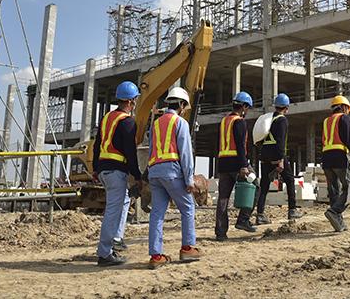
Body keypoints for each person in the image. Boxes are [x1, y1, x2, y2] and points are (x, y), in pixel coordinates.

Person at [145, 87, 203, 269]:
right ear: (181, 104)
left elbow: (150, 150)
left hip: (154, 171)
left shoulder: (155, 123)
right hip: (172, 171)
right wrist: (189, 181)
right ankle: (187, 248)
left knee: (157, 214)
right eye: (185, 106)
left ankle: (156, 256)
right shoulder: (180, 123)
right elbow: (185, 154)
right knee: (187, 207)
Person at [93, 81, 143, 266]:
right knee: (113, 212)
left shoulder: (107, 118)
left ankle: (113, 243)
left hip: (104, 170)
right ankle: (105, 253)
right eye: (136, 99)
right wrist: (137, 176)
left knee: (120, 204)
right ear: (131, 101)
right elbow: (130, 151)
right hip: (116, 171)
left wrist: (95, 169)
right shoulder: (128, 122)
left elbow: (97, 144)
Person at [214, 91, 256, 240]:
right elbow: (239, 145)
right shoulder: (239, 122)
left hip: (223, 163)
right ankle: (243, 219)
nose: (247, 111)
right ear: (243, 106)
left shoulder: (224, 121)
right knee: (255, 185)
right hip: (237, 163)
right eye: (248, 107)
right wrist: (244, 165)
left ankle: (220, 232)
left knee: (223, 198)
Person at [255, 93, 302, 224]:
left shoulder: (269, 119)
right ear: (286, 107)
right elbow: (281, 141)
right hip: (276, 155)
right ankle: (292, 210)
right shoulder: (282, 120)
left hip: (265, 155)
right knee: (290, 180)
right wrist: (280, 159)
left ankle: (260, 215)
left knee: (264, 185)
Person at [321, 95, 350, 232]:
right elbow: (348, 138)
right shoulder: (343, 118)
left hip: (326, 158)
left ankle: (338, 222)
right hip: (339, 157)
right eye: (347, 109)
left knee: (334, 191)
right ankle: (335, 212)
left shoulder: (326, 120)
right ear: (344, 107)